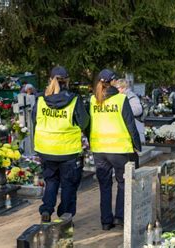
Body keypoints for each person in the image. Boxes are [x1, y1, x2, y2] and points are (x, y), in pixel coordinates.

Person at [32, 66, 89, 223]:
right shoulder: (74, 100)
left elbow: (34, 120)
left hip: (46, 149)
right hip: (68, 151)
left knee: (51, 181)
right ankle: (65, 214)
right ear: (67, 81)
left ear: (50, 80)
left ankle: (46, 210)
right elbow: (84, 122)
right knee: (68, 184)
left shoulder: (41, 100)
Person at [89, 69, 141, 231]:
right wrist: (137, 145)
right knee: (122, 183)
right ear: (112, 82)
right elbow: (130, 124)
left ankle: (105, 221)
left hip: (99, 149)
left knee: (104, 186)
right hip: (118, 149)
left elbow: (89, 124)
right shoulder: (120, 99)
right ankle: (119, 217)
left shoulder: (93, 100)